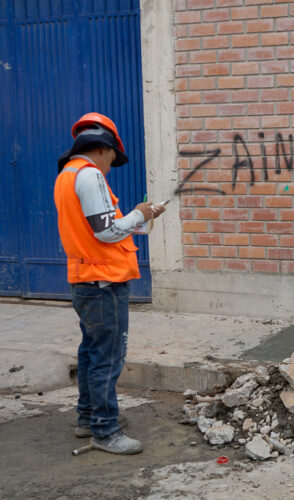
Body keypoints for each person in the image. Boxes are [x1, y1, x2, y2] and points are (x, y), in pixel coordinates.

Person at [54, 113, 165, 454]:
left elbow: (99, 229)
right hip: (104, 283)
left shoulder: (67, 175)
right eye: (113, 156)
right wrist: (141, 214)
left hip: (87, 280)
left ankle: (88, 418)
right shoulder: (90, 177)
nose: (112, 163)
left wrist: (134, 220)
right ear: (103, 148)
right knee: (108, 357)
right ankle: (105, 430)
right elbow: (106, 231)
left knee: (91, 352)